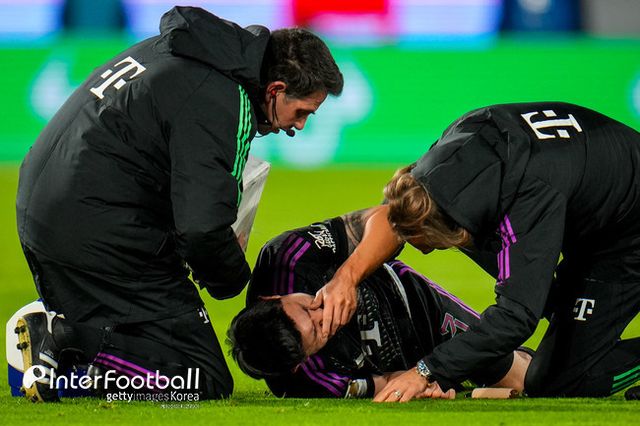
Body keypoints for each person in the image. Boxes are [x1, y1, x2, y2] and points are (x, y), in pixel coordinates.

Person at [15, 6, 343, 402]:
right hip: (96, 231)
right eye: (302, 112)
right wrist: (233, 276)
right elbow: (202, 230)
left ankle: (51, 362)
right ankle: (64, 338)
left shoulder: (179, 51)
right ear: (274, 90)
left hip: (48, 213)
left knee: (143, 342)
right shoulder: (226, 97)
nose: (299, 126)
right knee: (202, 377)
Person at [311, 102, 640, 400]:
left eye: (430, 244)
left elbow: (516, 316)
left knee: (557, 382)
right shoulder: (449, 158)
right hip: (600, 209)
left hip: (627, 236)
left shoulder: (525, 197)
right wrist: (347, 278)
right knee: (556, 306)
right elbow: (395, 214)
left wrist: (426, 371)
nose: (424, 254)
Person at [228, 208, 531, 399]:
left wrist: (346, 278)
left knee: (524, 378)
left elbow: (392, 219)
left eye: (307, 307)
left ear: (273, 297)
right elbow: (385, 383)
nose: (325, 315)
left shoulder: (289, 257)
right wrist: (426, 383)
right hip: (396, 361)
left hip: (409, 302)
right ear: (299, 364)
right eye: (318, 332)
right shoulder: (310, 381)